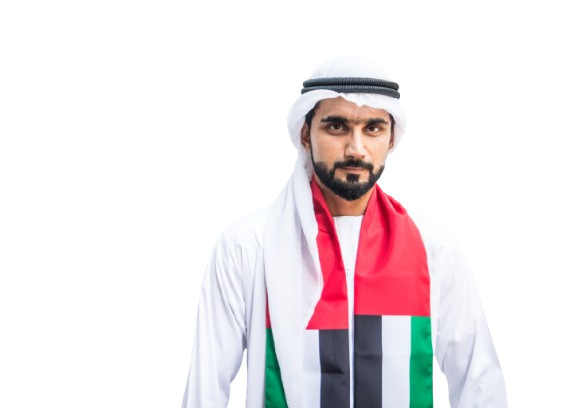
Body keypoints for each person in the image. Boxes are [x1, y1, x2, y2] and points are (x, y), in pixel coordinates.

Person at [182, 55, 508, 408]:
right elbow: (206, 390)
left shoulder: (435, 248)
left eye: (373, 128)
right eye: (336, 127)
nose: (356, 149)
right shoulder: (247, 246)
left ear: (392, 138)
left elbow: (480, 386)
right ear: (306, 134)